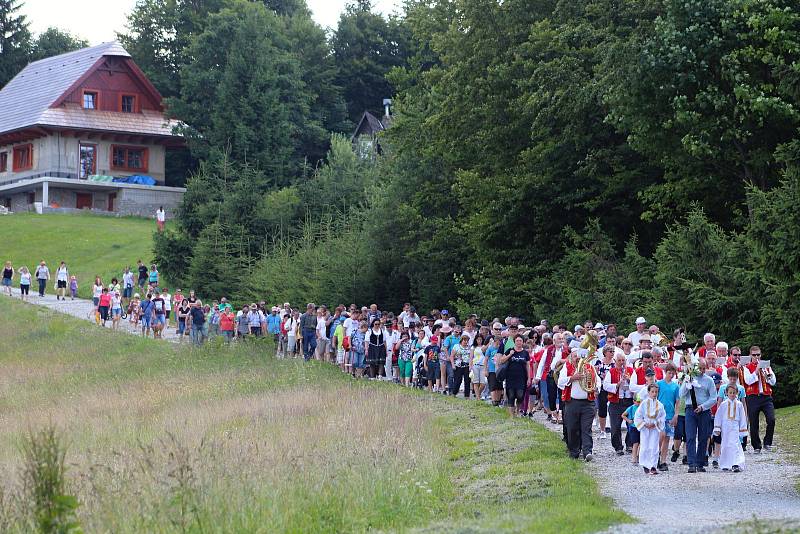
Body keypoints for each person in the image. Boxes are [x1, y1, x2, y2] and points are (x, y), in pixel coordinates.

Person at [558, 349, 600, 461]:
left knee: (586, 428)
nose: (577, 358)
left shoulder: (589, 367)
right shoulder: (567, 367)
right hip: (572, 402)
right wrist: (572, 378)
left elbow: (598, 380)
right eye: (575, 356)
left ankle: (587, 452)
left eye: (579, 356)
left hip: (588, 402)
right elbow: (560, 382)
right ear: (571, 357)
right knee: (572, 428)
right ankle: (574, 452)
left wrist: (596, 388)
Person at [679, 358, 717, 472]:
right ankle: (691, 463)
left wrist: (703, 407)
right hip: (690, 409)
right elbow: (681, 394)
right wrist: (687, 383)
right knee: (690, 436)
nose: (702, 371)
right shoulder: (688, 378)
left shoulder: (709, 380)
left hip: (703, 410)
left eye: (704, 368)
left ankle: (700, 463)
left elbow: (713, 398)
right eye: (700, 368)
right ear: (695, 368)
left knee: (703, 437)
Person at [742, 346, 777, 453]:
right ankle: (756, 446)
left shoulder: (766, 366)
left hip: (766, 397)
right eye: (754, 355)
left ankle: (767, 442)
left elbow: (773, 382)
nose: (756, 357)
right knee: (754, 423)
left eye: (758, 355)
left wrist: (768, 374)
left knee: (771, 419)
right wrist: (757, 371)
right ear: (750, 356)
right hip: (753, 398)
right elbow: (748, 381)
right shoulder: (746, 367)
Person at [604, 353, 635, 456]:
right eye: (619, 361)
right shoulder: (611, 371)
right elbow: (605, 386)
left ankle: (630, 444)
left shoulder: (630, 371)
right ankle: (618, 447)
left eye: (623, 361)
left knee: (631, 423)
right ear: (615, 361)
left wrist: (629, 380)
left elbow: (635, 385)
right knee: (615, 426)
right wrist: (617, 384)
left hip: (629, 400)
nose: (621, 363)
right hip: (616, 402)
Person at [713, 384, 748, 472]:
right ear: (726, 393)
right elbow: (719, 416)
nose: (732, 394)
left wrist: (742, 429)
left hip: (735, 427)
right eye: (730, 393)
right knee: (725, 445)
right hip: (725, 427)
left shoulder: (739, 404)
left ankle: (736, 463)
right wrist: (717, 427)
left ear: (737, 393)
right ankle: (725, 464)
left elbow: (742, 417)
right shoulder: (723, 404)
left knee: (735, 444)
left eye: (734, 393)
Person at [635, 383, 666, 475]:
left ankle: (653, 466)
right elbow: (638, 416)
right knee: (645, 445)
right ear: (648, 392)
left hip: (654, 428)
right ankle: (645, 464)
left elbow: (662, 417)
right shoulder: (644, 404)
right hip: (645, 428)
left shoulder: (660, 405)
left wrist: (655, 423)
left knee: (654, 446)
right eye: (652, 391)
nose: (654, 393)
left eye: (656, 392)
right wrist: (644, 424)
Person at [656, 363, 680, 471]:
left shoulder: (676, 386)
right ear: (666, 372)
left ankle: (663, 460)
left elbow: (677, 401)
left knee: (667, 439)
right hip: (660, 414)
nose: (671, 375)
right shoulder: (659, 384)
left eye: (673, 373)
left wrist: (676, 414)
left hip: (670, 414)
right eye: (669, 373)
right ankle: (656, 456)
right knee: (661, 436)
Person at [500, 335, 531, 417]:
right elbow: (501, 360)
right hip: (510, 377)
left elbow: (528, 366)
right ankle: (511, 415)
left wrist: (529, 378)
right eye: (517, 341)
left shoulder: (525, 353)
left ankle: (517, 411)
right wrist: (510, 355)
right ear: (514, 342)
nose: (519, 342)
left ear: (523, 342)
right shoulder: (510, 350)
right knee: (511, 395)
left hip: (521, 377)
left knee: (520, 395)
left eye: (520, 341)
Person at [594, 345, 615, 438]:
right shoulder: (599, 363)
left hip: (612, 389)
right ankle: (602, 430)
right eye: (610, 351)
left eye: (613, 351)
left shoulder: (615, 363)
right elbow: (595, 375)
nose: (612, 353)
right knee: (602, 409)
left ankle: (612, 427)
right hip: (602, 388)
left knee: (613, 408)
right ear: (605, 352)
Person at [622, 398, 640, 465]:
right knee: (635, 443)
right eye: (637, 401)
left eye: (640, 402)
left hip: (640, 427)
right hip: (633, 427)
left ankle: (638, 456)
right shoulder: (631, 408)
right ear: (634, 401)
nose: (639, 403)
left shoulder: (642, 408)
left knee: (641, 443)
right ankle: (634, 458)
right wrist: (629, 420)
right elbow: (623, 415)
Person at [470, 334, 488, 400]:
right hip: (475, 365)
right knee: (476, 382)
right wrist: (470, 366)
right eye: (478, 339)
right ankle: (478, 397)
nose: (479, 341)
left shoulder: (484, 347)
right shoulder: (473, 347)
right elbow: (471, 357)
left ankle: (478, 394)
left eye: (480, 339)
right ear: (476, 340)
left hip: (483, 365)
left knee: (483, 383)